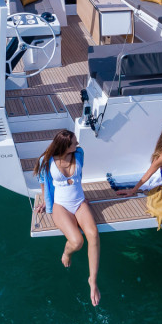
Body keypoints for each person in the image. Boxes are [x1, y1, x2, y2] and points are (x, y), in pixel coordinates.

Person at [33, 129, 101, 306]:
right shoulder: (46, 161)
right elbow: (43, 181)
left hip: (79, 202)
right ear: (65, 145)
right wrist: (45, 201)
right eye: (74, 142)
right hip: (61, 206)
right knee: (77, 242)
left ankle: (92, 281)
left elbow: (79, 176)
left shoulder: (79, 154)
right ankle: (66, 253)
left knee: (93, 235)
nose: (77, 144)